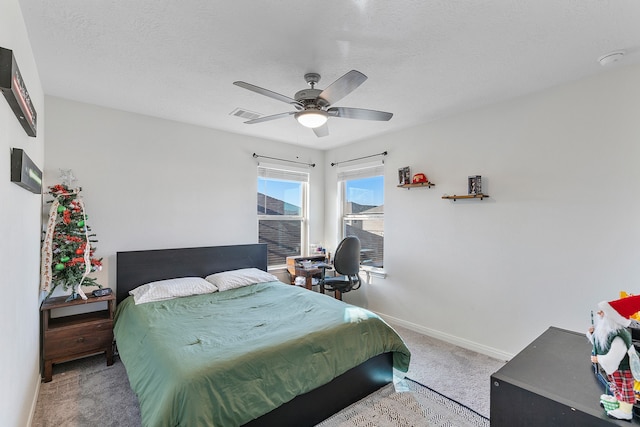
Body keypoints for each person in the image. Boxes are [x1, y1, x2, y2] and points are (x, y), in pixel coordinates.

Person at [587, 294, 640, 421]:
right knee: (616, 386)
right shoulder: (609, 331)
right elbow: (601, 343)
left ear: (612, 317)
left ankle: (625, 411)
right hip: (616, 370)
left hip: (623, 369)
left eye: (603, 312)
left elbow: (613, 358)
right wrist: (591, 334)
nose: (599, 313)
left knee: (625, 388)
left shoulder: (619, 337)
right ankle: (617, 401)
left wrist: (598, 359)